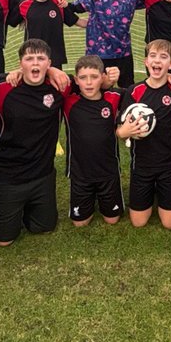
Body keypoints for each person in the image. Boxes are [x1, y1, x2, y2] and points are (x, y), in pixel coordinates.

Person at [0, 39, 71, 246]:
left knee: (43, 229)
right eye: (29, 59)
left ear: (49, 63)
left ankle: (28, 208)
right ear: (20, 63)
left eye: (41, 59)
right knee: (4, 241)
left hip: (42, 176)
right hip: (8, 178)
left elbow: (94, 83)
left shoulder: (59, 86)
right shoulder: (0, 88)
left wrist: (54, 71)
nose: (35, 64)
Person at [117, 39, 171, 229]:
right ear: (146, 62)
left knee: (170, 224)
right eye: (153, 56)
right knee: (139, 223)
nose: (157, 61)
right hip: (142, 166)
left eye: (163, 57)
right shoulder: (134, 91)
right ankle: (149, 192)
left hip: (169, 166)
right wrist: (124, 131)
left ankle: (163, 193)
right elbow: (120, 130)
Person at [62, 55, 124, 227]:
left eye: (94, 77)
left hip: (108, 172)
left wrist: (169, 78)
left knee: (112, 220)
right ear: (76, 80)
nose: (88, 83)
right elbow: (53, 79)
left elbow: (140, 92)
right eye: (83, 78)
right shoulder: (68, 101)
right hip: (80, 173)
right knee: (80, 223)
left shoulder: (114, 97)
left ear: (103, 78)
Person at [72, 0, 144, 86]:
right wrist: (82, 23)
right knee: (97, 88)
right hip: (98, 53)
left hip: (123, 52)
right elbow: (70, 8)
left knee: (127, 88)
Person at [7, 0, 86, 70]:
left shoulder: (59, 4)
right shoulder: (24, 5)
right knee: (34, 84)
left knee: (54, 85)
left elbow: (78, 22)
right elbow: (10, 21)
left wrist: (102, 21)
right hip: (33, 56)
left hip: (54, 56)